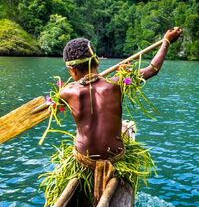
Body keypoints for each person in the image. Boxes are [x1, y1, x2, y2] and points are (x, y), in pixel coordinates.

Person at [41, 27, 182, 206]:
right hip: (115, 158)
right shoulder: (116, 84)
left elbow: (52, 103)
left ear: (71, 71)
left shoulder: (66, 92)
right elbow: (152, 69)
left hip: (83, 160)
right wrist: (166, 41)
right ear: (97, 61)